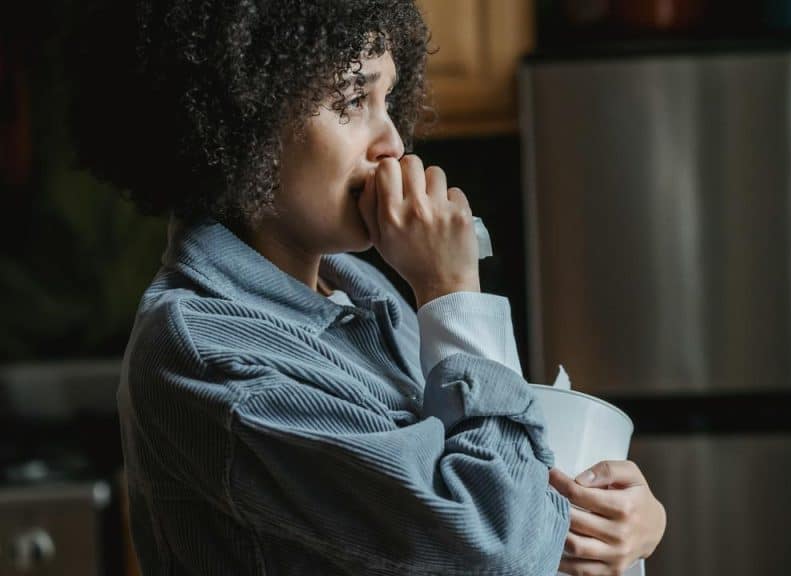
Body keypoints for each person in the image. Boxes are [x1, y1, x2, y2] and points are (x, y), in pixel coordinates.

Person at [69, 1, 666, 573]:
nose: (393, 144)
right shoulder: (206, 354)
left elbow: (520, 505)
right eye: (353, 100)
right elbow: (495, 548)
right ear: (242, 119)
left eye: (388, 98)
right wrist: (453, 292)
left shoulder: (363, 293)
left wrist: (613, 533)